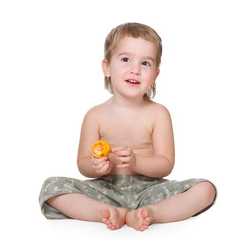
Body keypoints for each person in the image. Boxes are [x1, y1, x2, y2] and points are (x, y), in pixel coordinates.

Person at [39, 22, 217, 231]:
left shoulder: (158, 114)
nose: (135, 70)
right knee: (51, 187)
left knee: (206, 189)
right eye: (126, 59)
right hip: (106, 189)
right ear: (107, 67)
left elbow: (166, 164)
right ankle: (105, 212)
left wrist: (136, 162)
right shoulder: (94, 115)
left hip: (150, 190)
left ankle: (152, 213)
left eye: (145, 64)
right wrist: (96, 166)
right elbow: (83, 163)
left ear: (155, 76)